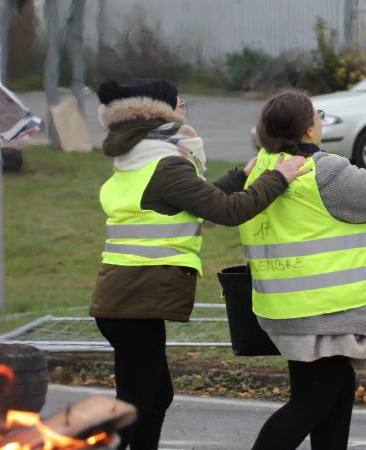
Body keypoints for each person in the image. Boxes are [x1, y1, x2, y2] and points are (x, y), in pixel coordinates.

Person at [89, 79, 307, 450]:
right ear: (164, 112)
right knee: (139, 402)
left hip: (126, 299)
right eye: (181, 103)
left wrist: (241, 176)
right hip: (133, 301)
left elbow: (196, 204)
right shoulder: (165, 166)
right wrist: (277, 178)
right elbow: (228, 211)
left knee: (154, 396)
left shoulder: (140, 158)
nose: (186, 110)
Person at [242, 90, 366, 450]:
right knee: (312, 404)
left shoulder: (262, 167)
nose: (321, 120)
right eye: (317, 115)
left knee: (334, 400)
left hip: (289, 306)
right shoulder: (321, 172)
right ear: (307, 130)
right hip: (323, 310)